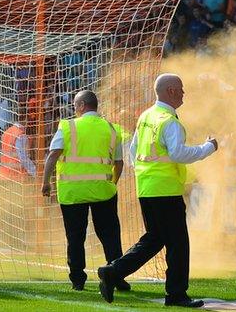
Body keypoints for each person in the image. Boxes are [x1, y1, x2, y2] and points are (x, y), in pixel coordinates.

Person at [97, 74, 218, 308]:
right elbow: (178, 154)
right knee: (178, 243)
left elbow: (133, 152)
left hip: (147, 188)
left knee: (155, 239)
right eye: (181, 89)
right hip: (166, 190)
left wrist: (146, 173)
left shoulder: (146, 116)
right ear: (171, 91)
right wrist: (208, 147)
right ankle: (176, 294)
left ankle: (113, 272)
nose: (184, 93)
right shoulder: (169, 121)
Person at [40, 90, 130, 292]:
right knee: (110, 235)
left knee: (75, 237)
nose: (74, 109)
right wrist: (112, 183)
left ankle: (78, 280)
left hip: (73, 192)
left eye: (75, 105)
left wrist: (45, 182)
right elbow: (119, 163)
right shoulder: (112, 129)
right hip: (103, 191)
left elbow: (53, 155)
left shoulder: (68, 126)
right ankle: (117, 275)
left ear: (81, 106)